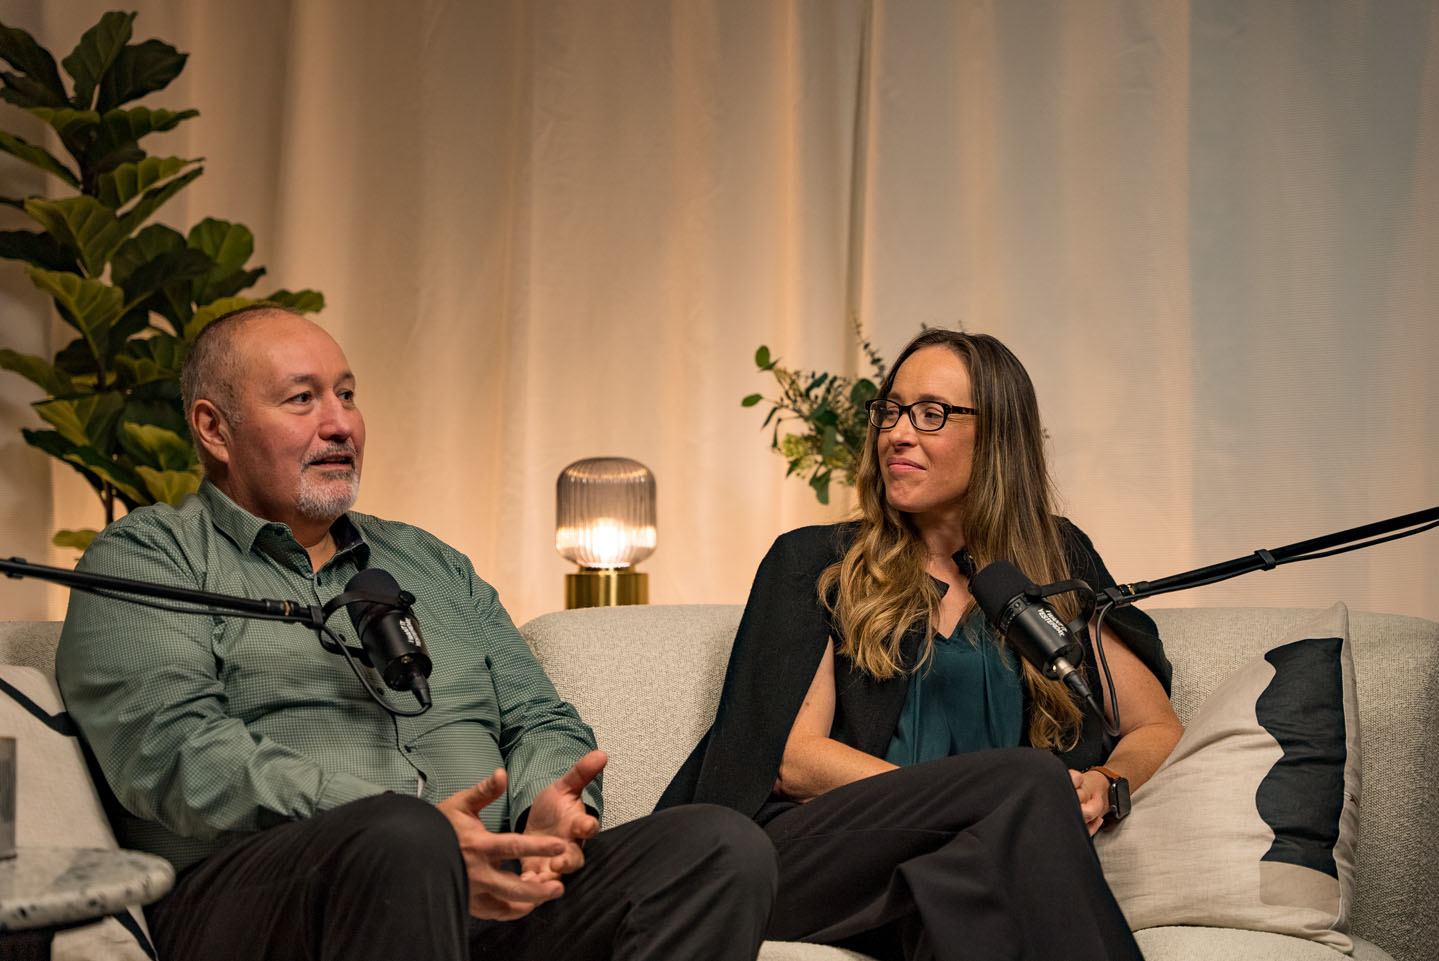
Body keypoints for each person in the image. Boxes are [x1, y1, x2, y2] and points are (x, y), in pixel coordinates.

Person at [56, 306, 777, 961]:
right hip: (271, 898)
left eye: (346, 393)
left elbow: (538, 716)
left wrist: (547, 810)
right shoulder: (147, 558)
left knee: (717, 845)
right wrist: (420, 827)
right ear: (214, 428)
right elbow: (169, 751)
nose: (339, 422)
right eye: (302, 398)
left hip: (492, 889)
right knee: (400, 838)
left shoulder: (430, 561)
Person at [658, 328, 1184, 961]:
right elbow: (795, 761)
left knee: (963, 886)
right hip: (818, 856)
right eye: (890, 411)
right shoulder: (814, 560)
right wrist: (979, 799)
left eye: (931, 414)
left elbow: (1155, 726)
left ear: (996, 436)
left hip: (971, 862)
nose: (897, 433)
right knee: (1023, 786)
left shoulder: (1057, 558)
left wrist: (1106, 782)